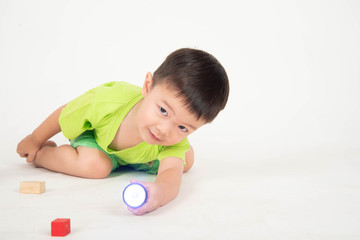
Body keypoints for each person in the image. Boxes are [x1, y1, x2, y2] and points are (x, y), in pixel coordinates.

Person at [16, 48, 229, 215]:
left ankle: (144, 157)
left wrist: (158, 193)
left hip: (142, 156)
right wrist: (35, 139)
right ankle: (45, 155)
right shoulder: (108, 101)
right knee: (96, 167)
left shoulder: (169, 138)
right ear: (147, 86)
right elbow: (66, 114)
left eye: (183, 127)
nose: (163, 130)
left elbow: (171, 177)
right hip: (99, 140)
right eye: (163, 110)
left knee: (184, 163)